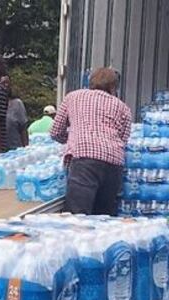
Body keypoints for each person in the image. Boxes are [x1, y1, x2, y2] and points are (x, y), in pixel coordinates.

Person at [51, 68, 132, 216]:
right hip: (114, 162)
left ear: (90, 82)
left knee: (78, 214)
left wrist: (71, 139)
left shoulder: (73, 97)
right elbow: (123, 138)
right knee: (103, 217)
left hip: (85, 160)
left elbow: (55, 131)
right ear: (113, 87)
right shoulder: (123, 107)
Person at [5, 85, 28, 149]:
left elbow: (23, 129)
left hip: (15, 150)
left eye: (7, 83)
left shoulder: (17, 104)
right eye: (2, 83)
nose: (6, 86)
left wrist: (26, 149)